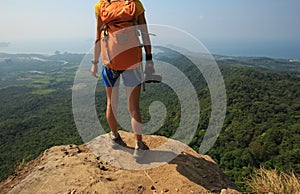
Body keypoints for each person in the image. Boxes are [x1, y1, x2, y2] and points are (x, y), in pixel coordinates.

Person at [91, 0, 155, 157]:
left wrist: (95, 62)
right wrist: (149, 60)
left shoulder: (101, 6)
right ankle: (139, 146)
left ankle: (114, 136)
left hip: (111, 62)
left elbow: (98, 37)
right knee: (133, 107)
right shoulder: (135, 4)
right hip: (132, 62)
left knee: (110, 104)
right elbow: (145, 34)